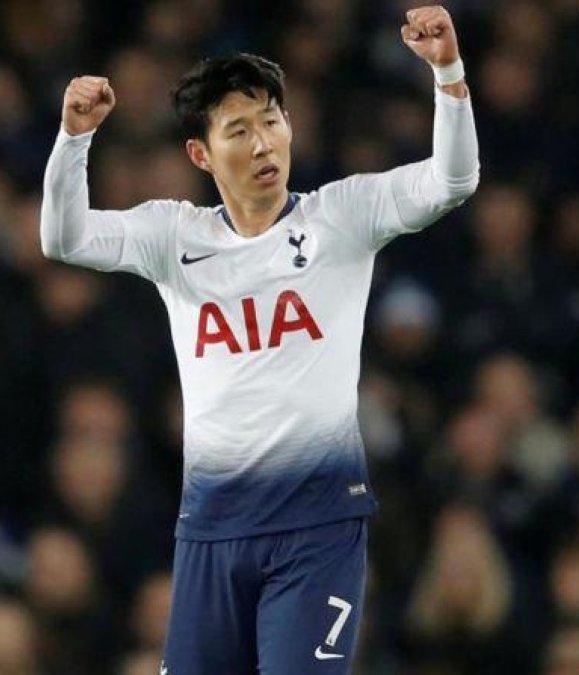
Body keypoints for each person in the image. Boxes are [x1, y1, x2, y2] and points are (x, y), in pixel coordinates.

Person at [39, 6, 478, 673]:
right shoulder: (175, 236)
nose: (264, 143)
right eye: (239, 129)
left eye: (272, 120)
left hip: (317, 527)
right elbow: (63, 237)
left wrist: (447, 71)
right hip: (211, 532)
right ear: (200, 152)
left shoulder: (341, 217)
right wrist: (73, 140)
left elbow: (453, 180)